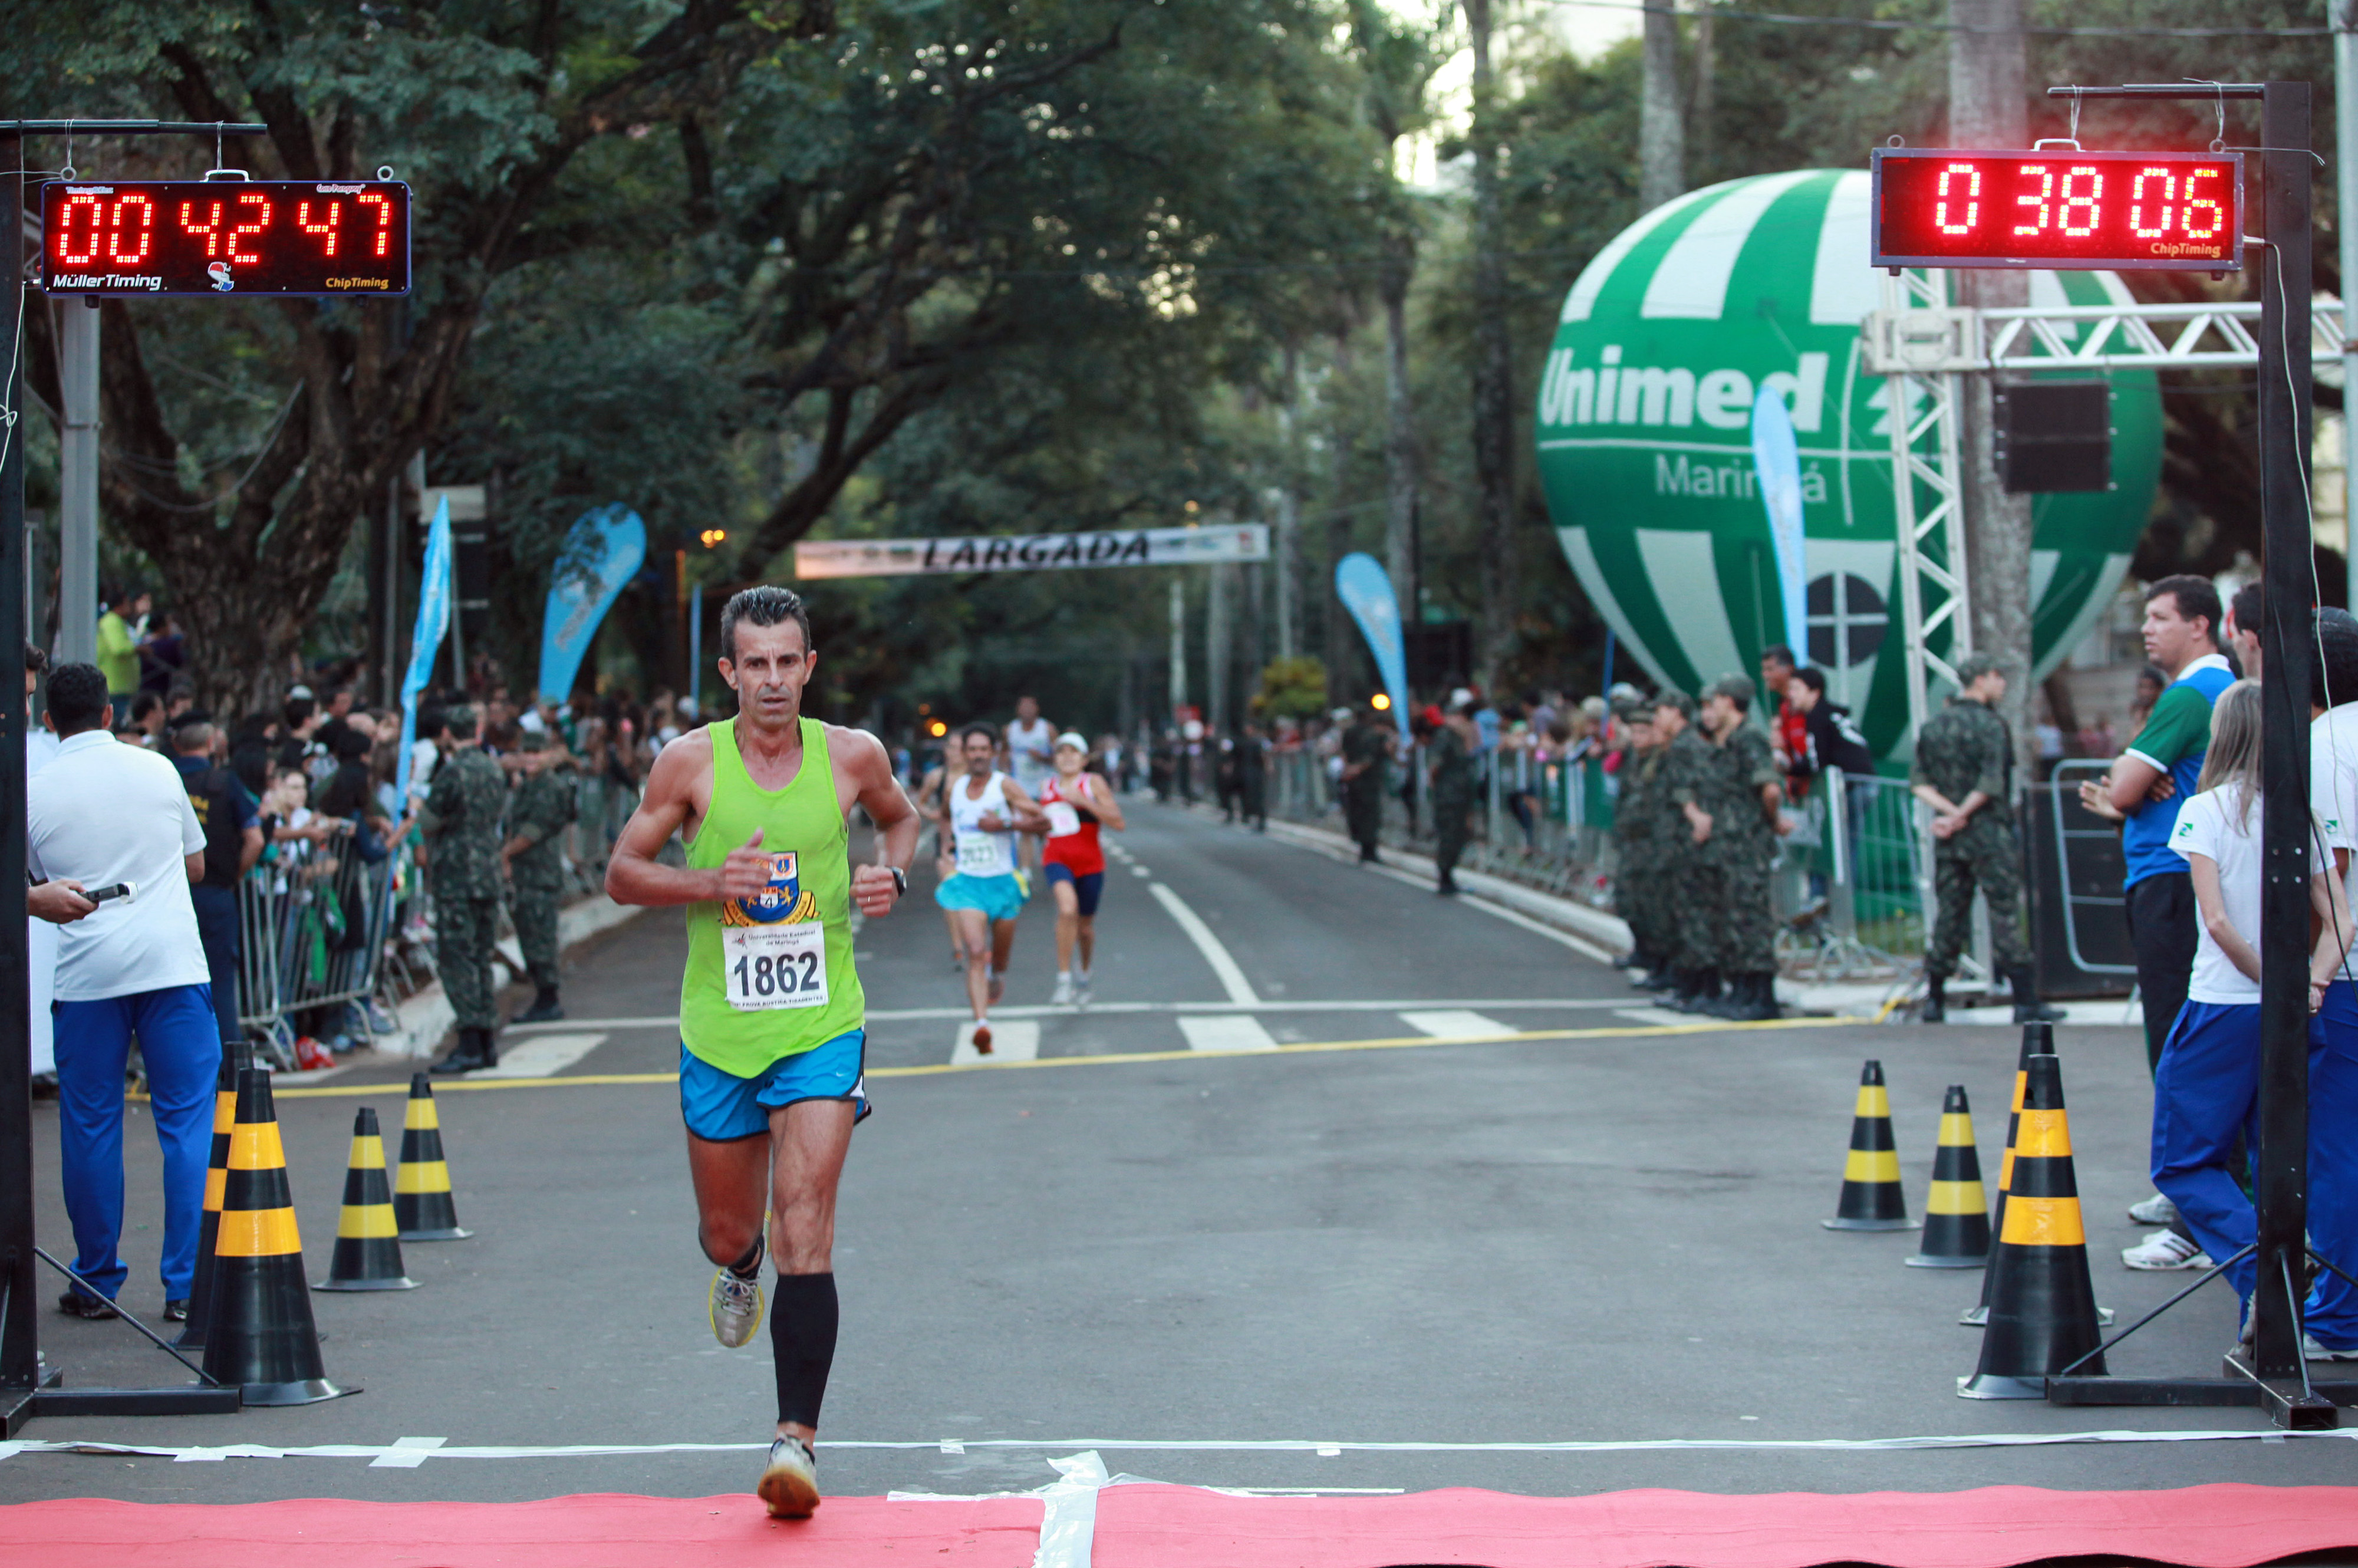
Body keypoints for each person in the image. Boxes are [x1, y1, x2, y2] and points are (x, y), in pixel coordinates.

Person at [604, 584, 918, 1519]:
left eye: (790, 662)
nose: (774, 680)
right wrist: (711, 878)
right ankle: (738, 1273)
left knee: (805, 1223)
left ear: (808, 668)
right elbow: (622, 874)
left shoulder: (853, 756)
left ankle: (796, 1444)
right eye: (757, 664)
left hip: (823, 1024)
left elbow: (902, 819)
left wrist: (888, 873)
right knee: (735, 1234)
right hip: (721, 1030)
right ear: (730, 671)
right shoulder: (688, 763)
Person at [2151, 680, 2349, 1339]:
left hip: (2223, 1005)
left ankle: (2266, 1276)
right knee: (2279, 1155)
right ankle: (2269, 1306)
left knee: (2181, 1160)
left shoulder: (2204, 810)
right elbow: (2343, 920)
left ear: (2224, 734)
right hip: (2294, 1012)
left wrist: (2276, 984)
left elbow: (2217, 923)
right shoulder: (2305, 812)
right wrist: (2308, 985)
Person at [30, 663, 220, 1323]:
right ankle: (187, 1284)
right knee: (188, 1121)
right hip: (171, 965)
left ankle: (96, 1280)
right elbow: (196, 864)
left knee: (89, 1125)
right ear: (110, 713)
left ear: (48, 720)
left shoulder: (34, 789)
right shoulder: (159, 769)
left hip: (87, 979)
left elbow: (22, 883)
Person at [2078, 575, 2234, 1265]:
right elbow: (2123, 787)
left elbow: (2119, 788)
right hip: (2175, 879)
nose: (2146, 629)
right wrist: (2130, 785)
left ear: (2200, 625)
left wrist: (2129, 786)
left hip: (2171, 883)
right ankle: (2193, 1197)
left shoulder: (2192, 692)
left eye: (2159, 617)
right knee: (2185, 1044)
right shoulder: (2208, 693)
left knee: (2179, 1047)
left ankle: (2200, 1215)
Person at [1909, 653, 2062, 1025]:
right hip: (1988, 833)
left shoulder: (1934, 726)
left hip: (1951, 835)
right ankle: (2025, 1000)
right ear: (1981, 679)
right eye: (1997, 676)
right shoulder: (1992, 725)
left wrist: (1949, 814)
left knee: (1950, 914)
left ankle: (1935, 998)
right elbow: (1991, 783)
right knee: (2005, 912)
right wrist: (1963, 813)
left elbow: (1919, 783)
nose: (2002, 684)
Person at [934, 723, 1044, 1052]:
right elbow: (944, 816)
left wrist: (1006, 824)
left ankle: (1000, 973)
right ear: (965, 753)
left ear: (993, 752)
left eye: (985, 749)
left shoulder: (1004, 786)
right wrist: (945, 847)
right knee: (976, 951)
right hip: (969, 884)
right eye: (973, 750)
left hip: (1003, 883)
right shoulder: (954, 788)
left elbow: (1043, 821)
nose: (979, 755)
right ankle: (982, 1024)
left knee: (1000, 951)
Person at [420, 704, 511, 1074]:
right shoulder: (492, 767)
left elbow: (428, 820)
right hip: (487, 870)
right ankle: (486, 1042)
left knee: (457, 959)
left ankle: (471, 1041)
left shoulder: (451, 772)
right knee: (481, 956)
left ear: (447, 734)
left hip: (457, 875)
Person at [169, 714, 264, 1050]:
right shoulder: (225, 783)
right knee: (220, 985)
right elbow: (255, 839)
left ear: (177, 745)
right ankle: (230, 1072)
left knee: (168, 990)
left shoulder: (162, 777)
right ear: (211, 745)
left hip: (167, 898)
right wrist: (234, 877)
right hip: (215, 895)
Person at [1694, 674, 1785, 1020]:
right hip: (1728, 847)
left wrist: (1769, 821)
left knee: (1752, 919)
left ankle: (1762, 995)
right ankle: (1743, 990)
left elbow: (1770, 789)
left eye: (1715, 700)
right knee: (1734, 920)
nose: (1711, 707)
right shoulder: (1728, 742)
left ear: (1730, 702)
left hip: (1747, 846)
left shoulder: (1750, 740)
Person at [1654, 687, 1725, 1013]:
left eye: (1661, 711)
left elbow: (1692, 791)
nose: (1657, 717)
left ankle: (1702, 987)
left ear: (1676, 712)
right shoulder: (1677, 747)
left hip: (1691, 843)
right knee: (1684, 916)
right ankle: (1690, 985)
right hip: (1678, 842)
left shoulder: (1687, 747)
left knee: (1696, 916)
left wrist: (1696, 819)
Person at [1041, 732, 1125, 1006]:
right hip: (1057, 858)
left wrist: (1084, 801)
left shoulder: (1093, 783)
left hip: (1090, 863)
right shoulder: (1047, 785)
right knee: (1067, 910)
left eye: (1073, 752)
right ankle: (1063, 979)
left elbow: (1118, 822)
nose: (1067, 757)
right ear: (1054, 759)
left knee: (1085, 928)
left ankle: (1085, 972)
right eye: (1061, 752)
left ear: (1084, 759)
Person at [502, 730, 578, 1025]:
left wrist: (505, 855)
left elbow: (533, 830)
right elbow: (515, 826)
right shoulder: (526, 786)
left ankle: (549, 998)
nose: (531, 759)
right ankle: (542, 996)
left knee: (541, 936)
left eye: (537, 753)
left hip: (541, 873)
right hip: (526, 873)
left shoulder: (551, 787)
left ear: (548, 755)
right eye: (527, 753)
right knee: (528, 934)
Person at [1609, 699, 1673, 989]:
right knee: (1629, 900)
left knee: (1655, 906)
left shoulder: (1661, 760)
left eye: (1643, 732)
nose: (1637, 738)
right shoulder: (1633, 760)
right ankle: (1643, 951)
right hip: (1632, 842)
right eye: (1633, 732)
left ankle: (1659, 961)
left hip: (1653, 843)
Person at [1430, 691, 1481, 896]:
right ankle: (1444, 876)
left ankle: (1448, 874)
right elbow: (1435, 766)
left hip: (1461, 793)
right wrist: (1439, 788)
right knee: (1449, 835)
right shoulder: (1445, 736)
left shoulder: (1461, 736)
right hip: (1449, 794)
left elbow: (1472, 753)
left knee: (1459, 835)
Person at [1003, 696, 1055, 882]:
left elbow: (1058, 757)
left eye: (1030, 707)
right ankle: (1025, 869)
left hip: (1043, 785)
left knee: (1044, 827)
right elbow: (1003, 754)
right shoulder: (1010, 730)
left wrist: (1042, 757)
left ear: (1037, 709)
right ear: (1018, 710)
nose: (1026, 711)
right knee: (1026, 826)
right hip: (1021, 787)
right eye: (1023, 707)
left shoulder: (1047, 729)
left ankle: (1050, 860)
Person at [1339, 704, 1389, 864]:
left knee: (1358, 812)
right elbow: (1371, 757)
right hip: (1367, 780)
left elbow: (1345, 753)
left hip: (1357, 779)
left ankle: (1364, 847)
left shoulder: (1350, 732)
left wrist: (1348, 770)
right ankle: (1368, 849)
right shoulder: (1371, 734)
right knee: (1369, 815)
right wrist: (1355, 770)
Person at [95, 588, 147, 724]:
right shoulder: (112, 621)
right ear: (121, 604)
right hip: (116, 686)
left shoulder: (116, 621)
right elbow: (119, 648)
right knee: (122, 723)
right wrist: (139, 649)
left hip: (121, 685)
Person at [1236, 722, 1269, 831]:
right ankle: (1248, 816)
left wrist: (1268, 767)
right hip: (1246, 773)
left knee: (1258, 797)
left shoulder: (1258, 742)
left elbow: (1264, 756)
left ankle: (1261, 821)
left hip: (1256, 773)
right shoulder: (1243, 742)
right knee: (1247, 796)